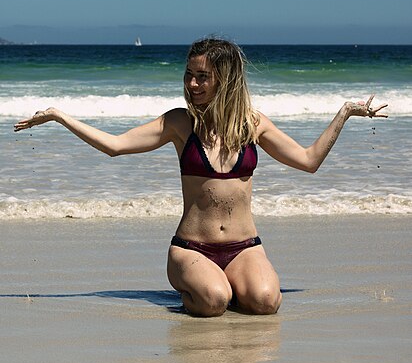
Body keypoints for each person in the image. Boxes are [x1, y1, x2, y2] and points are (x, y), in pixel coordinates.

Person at [14, 38, 388, 317]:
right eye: (189, 75)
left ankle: (230, 284)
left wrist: (345, 113)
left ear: (223, 79)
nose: (192, 84)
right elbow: (114, 145)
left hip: (245, 247)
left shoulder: (252, 124)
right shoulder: (179, 123)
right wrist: (60, 117)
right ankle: (198, 287)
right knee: (213, 301)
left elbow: (308, 161)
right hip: (191, 249)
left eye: (202, 77)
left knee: (266, 302)